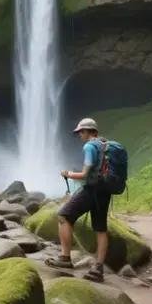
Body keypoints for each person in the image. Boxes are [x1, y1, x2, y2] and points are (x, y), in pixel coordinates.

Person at [45, 117, 110, 282]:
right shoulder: (105, 145)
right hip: (105, 190)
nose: (80, 134)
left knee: (63, 215)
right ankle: (98, 268)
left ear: (91, 132)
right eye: (79, 132)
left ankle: (65, 258)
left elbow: (85, 174)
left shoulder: (89, 146)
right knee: (100, 228)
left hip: (92, 190)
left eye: (82, 131)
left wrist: (68, 174)